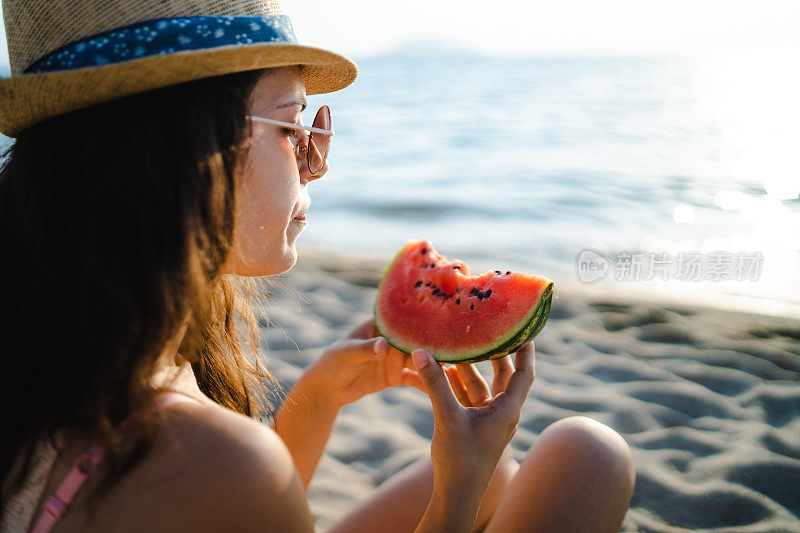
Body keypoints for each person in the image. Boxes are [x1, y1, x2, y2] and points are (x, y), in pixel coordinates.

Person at [0, 1, 635, 531]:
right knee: (588, 455)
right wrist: (458, 490)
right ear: (196, 151)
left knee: (525, 466)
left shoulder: (70, 359)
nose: (316, 161)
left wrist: (319, 395)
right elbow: (243, 485)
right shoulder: (208, 459)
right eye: (293, 123)